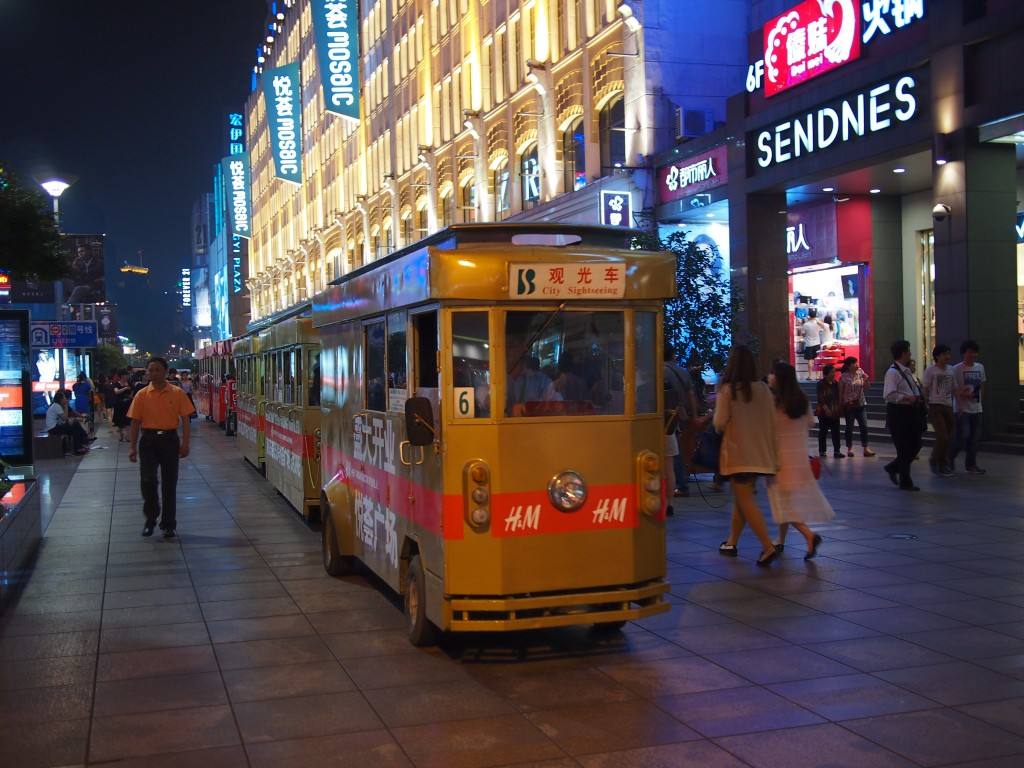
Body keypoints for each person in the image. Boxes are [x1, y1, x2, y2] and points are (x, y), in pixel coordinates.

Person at [713, 345, 780, 566]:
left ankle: (767, 546)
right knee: (743, 499)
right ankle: (731, 541)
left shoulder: (728, 390)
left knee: (746, 500)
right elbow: (772, 420)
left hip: (738, 453)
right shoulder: (763, 388)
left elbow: (719, 422)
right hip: (760, 453)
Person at [767, 362, 833, 559]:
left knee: (782, 504)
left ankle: (810, 536)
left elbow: (769, 429)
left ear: (779, 378)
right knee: (785, 501)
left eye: (772, 374)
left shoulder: (775, 402)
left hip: (779, 460)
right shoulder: (801, 399)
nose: (769, 377)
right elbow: (811, 422)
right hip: (798, 458)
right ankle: (780, 540)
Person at [128, 358, 196, 537]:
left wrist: (185, 443)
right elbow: (135, 422)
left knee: (169, 483)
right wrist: (132, 447)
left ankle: (168, 524)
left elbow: (186, 420)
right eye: (151, 370)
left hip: (169, 440)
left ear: (165, 372)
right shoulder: (142, 395)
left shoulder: (177, 393)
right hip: (148, 441)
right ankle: (151, 517)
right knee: (148, 480)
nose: (154, 373)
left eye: (158, 370)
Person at [882, 340, 925, 491]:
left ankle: (893, 468)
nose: (910, 354)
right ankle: (905, 481)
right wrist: (907, 398)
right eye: (908, 351)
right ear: (903, 353)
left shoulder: (906, 371)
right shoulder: (893, 372)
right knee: (904, 447)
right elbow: (889, 394)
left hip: (911, 412)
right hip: (899, 413)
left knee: (915, 444)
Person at [665, 343, 697, 498]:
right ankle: (682, 482)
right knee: (679, 448)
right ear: (673, 355)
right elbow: (691, 394)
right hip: (682, 413)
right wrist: (695, 415)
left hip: (667, 416)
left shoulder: (660, 371)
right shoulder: (683, 372)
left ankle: (681, 483)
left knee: (672, 451)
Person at [950, 340, 987, 475]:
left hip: (977, 408)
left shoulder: (980, 367)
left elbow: (983, 384)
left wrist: (979, 397)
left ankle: (971, 465)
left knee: (974, 438)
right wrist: (962, 397)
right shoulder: (956, 369)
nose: (973, 355)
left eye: (975, 352)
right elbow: (953, 389)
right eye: (970, 352)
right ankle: (949, 459)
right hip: (961, 409)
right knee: (961, 437)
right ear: (963, 353)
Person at [923, 344, 956, 476]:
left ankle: (941, 462)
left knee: (949, 436)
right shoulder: (930, 370)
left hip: (948, 406)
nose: (948, 357)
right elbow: (925, 388)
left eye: (949, 353)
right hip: (935, 406)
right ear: (937, 356)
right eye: (944, 354)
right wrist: (926, 403)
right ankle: (938, 461)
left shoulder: (951, 370)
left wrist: (961, 394)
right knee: (942, 436)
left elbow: (954, 387)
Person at [839, 357, 875, 457]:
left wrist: (866, 380)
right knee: (849, 427)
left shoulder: (860, 373)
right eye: (855, 363)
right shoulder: (843, 377)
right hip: (849, 406)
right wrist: (841, 405)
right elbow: (840, 392)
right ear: (849, 365)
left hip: (861, 404)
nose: (857, 364)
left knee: (864, 426)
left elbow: (867, 388)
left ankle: (865, 448)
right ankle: (849, 449)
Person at [815, 364, 843, 459]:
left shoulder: (836, 383)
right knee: (823, 432)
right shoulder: (821, 384)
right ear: (826, 373)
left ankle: (837, 451)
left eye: (834, 371)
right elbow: (820, 398)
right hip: (824, 412)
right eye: (832, 372)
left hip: (835, 411)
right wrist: (826, 409)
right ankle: (822, 451)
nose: (834, 373)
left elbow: (838, 396)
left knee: (836, 432)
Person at [800, 309, 825, 380]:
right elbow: (823, 327)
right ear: (815, 315)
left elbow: (803, 334)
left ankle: (810, 376)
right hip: (817, 343)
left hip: (809, 344)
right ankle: (817, 376)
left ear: (809, 315)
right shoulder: (817, 323)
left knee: (810, 361)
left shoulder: (806, 324)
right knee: (817, 361)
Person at [112, 371, 133, 441]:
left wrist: (130, 397)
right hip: (119, 405)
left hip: (127, 404)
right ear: (121, 376)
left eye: (127, 375)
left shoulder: (129, 383)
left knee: (128, 421)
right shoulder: (116, 384)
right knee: (119, 422)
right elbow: (116, 392)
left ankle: (127, 437)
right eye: (125, 375)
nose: (127, 377)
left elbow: (131, 393)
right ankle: (121, 436)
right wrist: (125, 388)